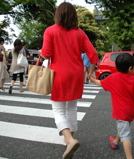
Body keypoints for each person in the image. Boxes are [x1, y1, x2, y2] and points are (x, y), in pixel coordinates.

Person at [40, 2, 99, 159]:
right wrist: (91, 73)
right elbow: (93, 54)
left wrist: (42, 50)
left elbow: (46, 54)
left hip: (58, 74)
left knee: (58, 110)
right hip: (76, 74)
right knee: (72, 109)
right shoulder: (79, 33)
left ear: (58, 15)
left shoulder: (50, 31)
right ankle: (69, 140)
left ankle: (70, 139)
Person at [89, 53, 134, 159]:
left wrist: (93, 80)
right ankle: (116, 142)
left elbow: (101, 83)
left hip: (121, 111)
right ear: (130, 68)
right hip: (131, 110)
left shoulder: (113, 78)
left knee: (125, 134)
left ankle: (129, 157)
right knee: (124, 126)